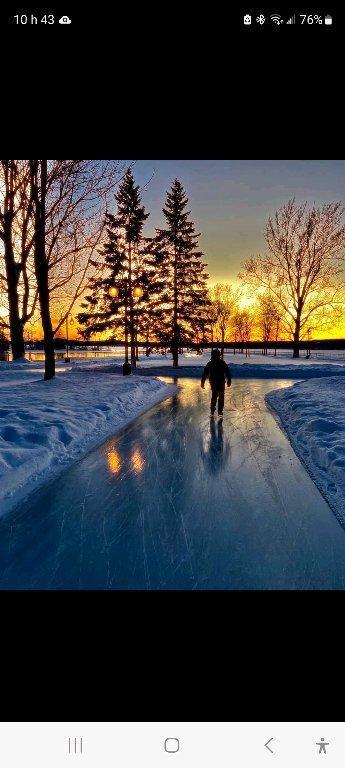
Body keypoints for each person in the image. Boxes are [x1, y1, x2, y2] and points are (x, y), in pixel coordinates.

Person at [200, 348, 231, 417]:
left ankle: (215, 411)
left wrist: (202, 382)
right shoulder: (216, 363)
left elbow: (227, 372)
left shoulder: (214, 363)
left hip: (218, 382)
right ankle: (216, 411)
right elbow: (205, 373)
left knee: (216, 396)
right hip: (217, 382)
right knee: (219, 396)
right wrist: (229, 380)